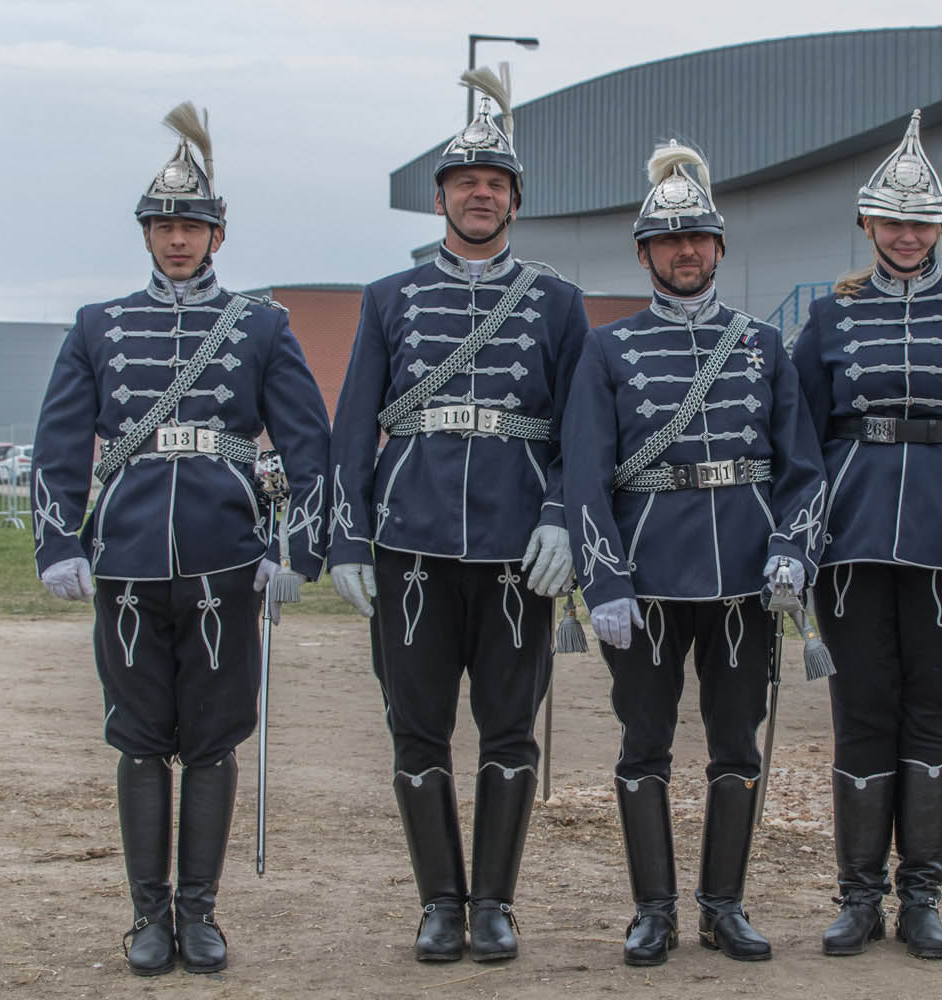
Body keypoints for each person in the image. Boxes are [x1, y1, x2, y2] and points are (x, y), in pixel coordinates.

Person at [31, 103, 332, 976]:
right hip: (126, 560)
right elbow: (59, 444)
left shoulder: (261, 325)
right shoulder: (97, 326)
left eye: (191, 226)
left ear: (217, 235)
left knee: (211, 738)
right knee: (137, 736)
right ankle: (146, 916)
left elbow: (308, 446)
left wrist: (296, 550)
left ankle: (199, 912)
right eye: (163, 226)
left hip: (225, 560)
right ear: (146, 234)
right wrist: (59, 543)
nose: (176, 239)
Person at [327, 66, 587, 964]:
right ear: (440, 197)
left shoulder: (557, 302)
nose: (481, 195)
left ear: (515, 198)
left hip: (519, 549)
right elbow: (353, 425)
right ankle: (440, 902)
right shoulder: (388, 298)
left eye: (496, 183)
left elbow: (580, 432)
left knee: (510, 730)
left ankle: (495, 904)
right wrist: (348, 539)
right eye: (466, 182)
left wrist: (562, 515)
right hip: (412, 544)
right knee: (417, 727)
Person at [561, 141, 827, 967]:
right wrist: (603, 579)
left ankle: (724, 907)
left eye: (698, 238)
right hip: (644, 581)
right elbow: (584, 473)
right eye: (669, 240)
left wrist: (792, 548)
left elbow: (802, 468)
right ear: (644, 253)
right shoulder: (608, 349)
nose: (685, 251)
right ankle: (653, 911)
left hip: (746, 579)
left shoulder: (764, 346)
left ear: (719, 248)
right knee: (643, 742)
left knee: (736, 743)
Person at [790, 110, 942, 960]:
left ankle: (922, 897)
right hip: (853, 537)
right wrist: (797, 534)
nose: (906, 235)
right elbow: (800, 436)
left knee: (932, 714)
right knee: (862, 714)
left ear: (940, 226)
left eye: (921, 223)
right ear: (868, 224)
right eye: (892, 222)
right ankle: (859, 897)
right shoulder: (829, 316)